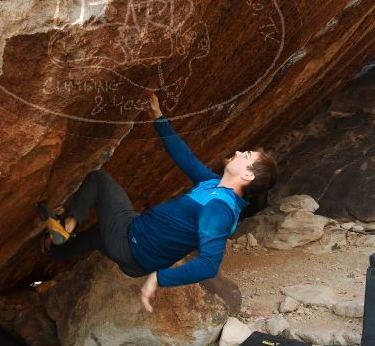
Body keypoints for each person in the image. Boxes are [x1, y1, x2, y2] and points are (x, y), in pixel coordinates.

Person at [44, 93, 277, 312]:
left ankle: (69, 223)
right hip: (137, 249)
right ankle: (54, 249)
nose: (238, 151)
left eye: (245, 156)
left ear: (248, 176)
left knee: (99, 180)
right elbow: (184, 157)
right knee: (98, 234)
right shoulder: (214, 184)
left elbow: (208, 264)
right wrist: (158, 116)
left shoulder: (219, 210)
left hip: (131, 243)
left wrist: (159, 278)